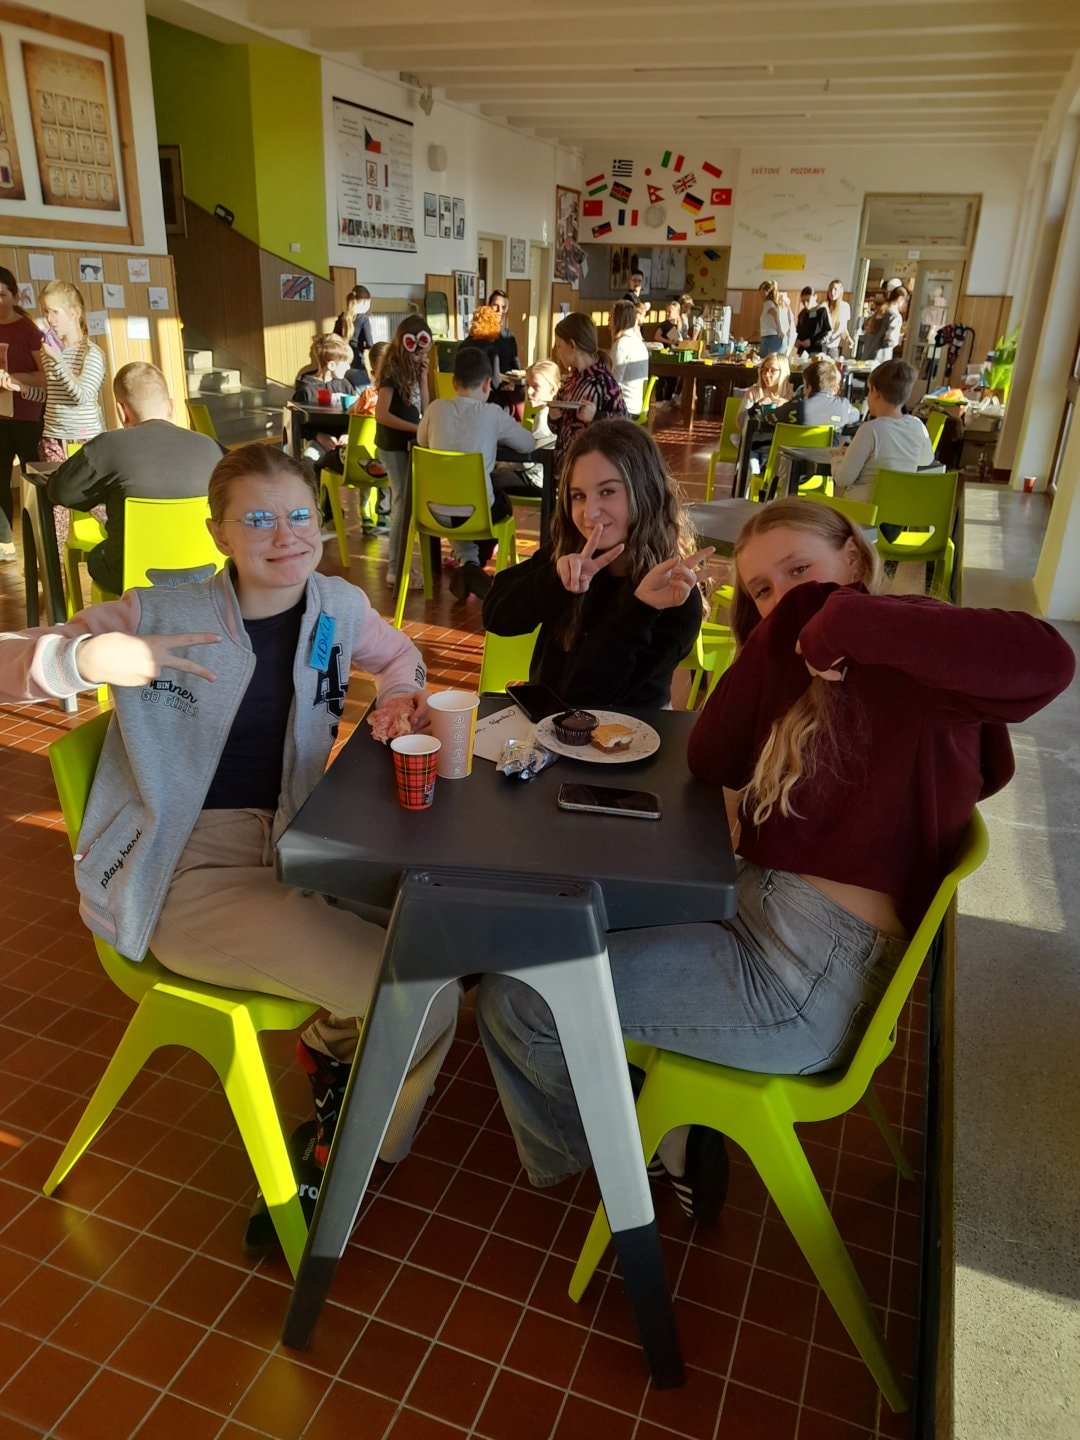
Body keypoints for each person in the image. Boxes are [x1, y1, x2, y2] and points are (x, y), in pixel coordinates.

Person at [475, 497, 1074, 1218]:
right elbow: (711, 756)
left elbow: (1051, 660)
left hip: (804, 979)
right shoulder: (797, 671)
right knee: (566, 918)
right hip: (754, 915)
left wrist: (837, 617)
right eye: (763, 590)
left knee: (517, 1000)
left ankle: (628, 1154)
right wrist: (778, 643)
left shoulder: (909, 657)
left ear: (852, 556)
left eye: (801, 570)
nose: (787, 598)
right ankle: (653, 1113)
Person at [0, 443, 461, 1238]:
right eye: (257, 520)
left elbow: (399, 657)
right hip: (183, 876)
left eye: (299, 514)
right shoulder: (159, 612)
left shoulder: (336, 605)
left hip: (296, 843)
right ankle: (342, 1159)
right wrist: (86, 657)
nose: (286, 535)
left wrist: (397, 696)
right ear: (218, 533)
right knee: (423, 996)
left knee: (446, 938)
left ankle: (336, 1053)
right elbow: (10, 664)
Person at [482, 420, 711, 709]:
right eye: (578, 496)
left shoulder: (674, 597)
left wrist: (641, 609)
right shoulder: (569, 555)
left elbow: (588, 697)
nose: (589, 513)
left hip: (629, 732)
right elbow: (495, 616)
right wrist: (555, 582)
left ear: (645, 491)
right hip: (546, 725)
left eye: (607, 492)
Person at [46, 362, 223, 597]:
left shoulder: (107, 446)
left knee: (99, 555)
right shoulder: (212, 448)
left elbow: (59, 492)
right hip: (209, 572)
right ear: (171, 407)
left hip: (132, 578)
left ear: (122, 411)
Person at [415, 346, 533, 602]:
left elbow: (422, 442)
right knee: (498, 501)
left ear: (453, 382)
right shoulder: (492, 414)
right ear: (488, 383)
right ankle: (477, 570)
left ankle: (470, 565)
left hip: (432, 511)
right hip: (478, 514)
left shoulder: (435, 409)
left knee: (455, 498)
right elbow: (528, 444)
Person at [374, 315, 432, 590]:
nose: (421, 356)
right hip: (393, 446)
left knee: (408, 503)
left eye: (425, 351)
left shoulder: (414, 369)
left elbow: (425, 408)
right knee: (401, 503)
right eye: (417, 351)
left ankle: (402, 566)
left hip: (409, 443)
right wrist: (415, 428)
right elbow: (381, 414)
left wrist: (423, 376)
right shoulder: (392, 370)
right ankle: (395, 570)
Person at [832, 359, 933, 503]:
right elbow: (926, 460)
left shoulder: (869, 430)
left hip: (861, 509)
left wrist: (837, 459)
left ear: (875, 391)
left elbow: (843, 479)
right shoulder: (917, 425)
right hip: (898, 508)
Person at [0, 266, 46, 562]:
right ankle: (4, 542)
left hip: (28, 418)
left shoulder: (29, 330)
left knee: (32, 481)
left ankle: (40, 543)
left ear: (15, 297)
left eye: (1, 295)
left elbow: (45, 377)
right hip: (0, 419)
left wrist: (13, 378)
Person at [548, 313, 628, 475]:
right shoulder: (570, 381)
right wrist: (553, 417)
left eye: (559, 346)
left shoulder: (604, 382)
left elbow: (624, 426)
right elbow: (558, 429)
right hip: (566, 468)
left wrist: (596, 416)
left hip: (593, 470)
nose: (557, 352)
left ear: (572, 345)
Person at [37, 280, 106, 463]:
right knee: (56, 482)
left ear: (74, 313)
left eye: (55, 312)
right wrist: (21, 388)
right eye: (45, 312)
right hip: (53, 437)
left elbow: (80, 396)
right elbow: (53, 395)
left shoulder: (91, 353)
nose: (49, 319)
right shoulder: (49, 353)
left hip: (85, 437)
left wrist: (57, 360)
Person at [774, 358, 860, 431]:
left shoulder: (795, 407)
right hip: (829, 446)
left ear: (809, 387)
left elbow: (768, 418)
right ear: (834, 389)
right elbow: (856, 416)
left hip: (791, 446)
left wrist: (781, 405)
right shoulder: (843, 407)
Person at [609, 299, 650, 416]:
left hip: (625, 408)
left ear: (618, 319)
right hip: (636, 404)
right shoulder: (638, 341)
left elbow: (614, 382)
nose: (608, 321)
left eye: (611, 316)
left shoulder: (622, 344)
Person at [333, 284, 374, 388]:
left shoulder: (341, 318)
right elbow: (369, 344)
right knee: (365, 395)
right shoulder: (364, 319)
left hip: (340, 366)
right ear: (365, 302)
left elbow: (334, 340)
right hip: (357, 365)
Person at [458, 304, 506, 386]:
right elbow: (495, 381)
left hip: (463, 389)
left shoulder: (463, 345)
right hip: (482, 390)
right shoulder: (491, 349)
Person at [758, 281, 795, 357]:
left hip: (771, 337)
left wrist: (779, 330)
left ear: (767, 292)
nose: (760, 295)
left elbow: (775, 313)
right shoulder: (772, 303)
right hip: (771, 337)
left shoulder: (768, 303)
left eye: (761, 292)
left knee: (767, 359)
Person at [487, 290, 520, 375]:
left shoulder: (509, 336)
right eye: (495, 305)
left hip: (506, 381)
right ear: (488, 307)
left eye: (503, 307)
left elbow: (515, 365)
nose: (499, 310)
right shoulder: (480, 334)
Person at [794, 287, 831, 356]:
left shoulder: (821, 311)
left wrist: (811, 341)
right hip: (803, 352)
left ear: (815, 297)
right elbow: (798, 331)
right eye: (803, 302)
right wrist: (797, 341)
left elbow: (827, 332)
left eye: (808, 300)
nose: (805, 304)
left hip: (816, 351)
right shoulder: (802, 314)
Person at [823, 279, 852, 359]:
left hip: (833, 347)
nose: (832, 292)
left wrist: (848, 338)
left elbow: (843, 328)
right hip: (821, 346)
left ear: (840, 291)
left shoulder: (845, 307)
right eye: (830, 289)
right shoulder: (823, 306)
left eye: (835, 289)